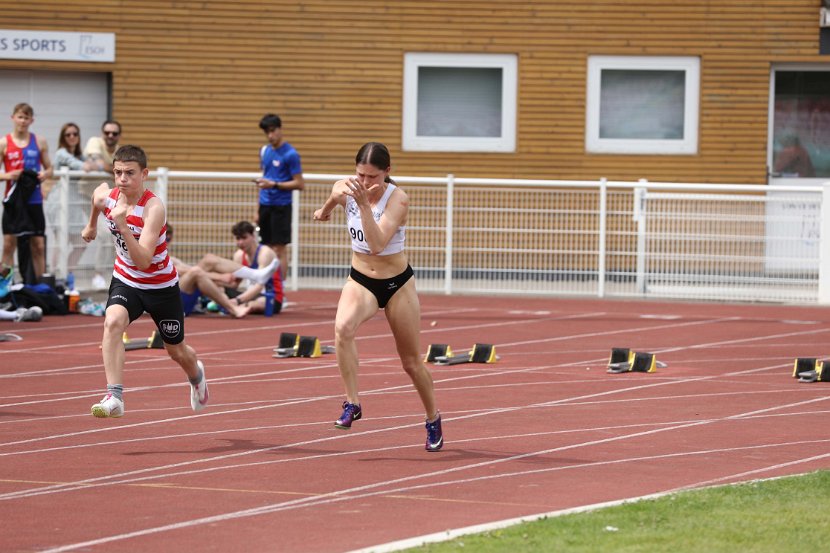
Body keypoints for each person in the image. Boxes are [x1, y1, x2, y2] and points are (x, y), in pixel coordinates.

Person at [313, 142, 443, 452]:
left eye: (373, 177)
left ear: (387, 172)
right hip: (361, 281)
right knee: (342, 329)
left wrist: (365, 204)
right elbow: (333, 197)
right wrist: (325, 211)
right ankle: (352, 402)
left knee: (411, 362)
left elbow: (376, 243)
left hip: (397, 284)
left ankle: (432, 418)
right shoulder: (347, 188)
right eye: (360, 175)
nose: (366, 183)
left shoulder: (398, 200)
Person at [81, 144, 208, 418]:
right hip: (126, 280)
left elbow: (144, 260)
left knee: (176, 351)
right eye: (118, 173)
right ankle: (114, 396)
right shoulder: (109, 197)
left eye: (129, 173)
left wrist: (124, 227)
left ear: (144, 174)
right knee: (112, 321)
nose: (122, 179)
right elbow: (96, 195)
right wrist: (92, 225)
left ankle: (196, 376)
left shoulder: (153, 208)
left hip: (160, 287)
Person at [168, 222, 281, 318]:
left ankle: (232, 299)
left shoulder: (264, 253)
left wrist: (222, 284)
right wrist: (220, 277)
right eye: (238, 238)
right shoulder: (239, 255)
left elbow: (236, 284)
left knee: (208, 260)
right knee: (197, 272)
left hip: (268, 294)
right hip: (172, 300)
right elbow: (179, 271)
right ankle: (232, 307)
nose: (240, 242)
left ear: (253, 236)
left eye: (244, 238)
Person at [1, 102, 53, 283]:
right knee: (9, 245)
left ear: (32, 120)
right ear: (13, 118)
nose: (23, 121)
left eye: (26, 118)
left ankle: (41, 288)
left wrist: (44, 174)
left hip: (34, 200)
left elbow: (50, 169)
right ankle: (4, 289)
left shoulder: (39, 141)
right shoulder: (4, 142)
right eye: (20, 117)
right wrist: (8, 175)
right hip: (14, 201)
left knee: (38, 245)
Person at [254, 113, 304, 282]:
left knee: (279, 249)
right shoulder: (265, 151)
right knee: (265, 248)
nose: (270, 136)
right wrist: (257, 210)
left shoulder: (290, 154)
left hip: (281, 206)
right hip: (265, 204)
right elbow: (265, 178)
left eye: (273, 131)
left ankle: (279, 290)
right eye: (266, 132)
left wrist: (274, 184)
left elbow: (299, 184)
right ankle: (265, 286)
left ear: (280, 129)